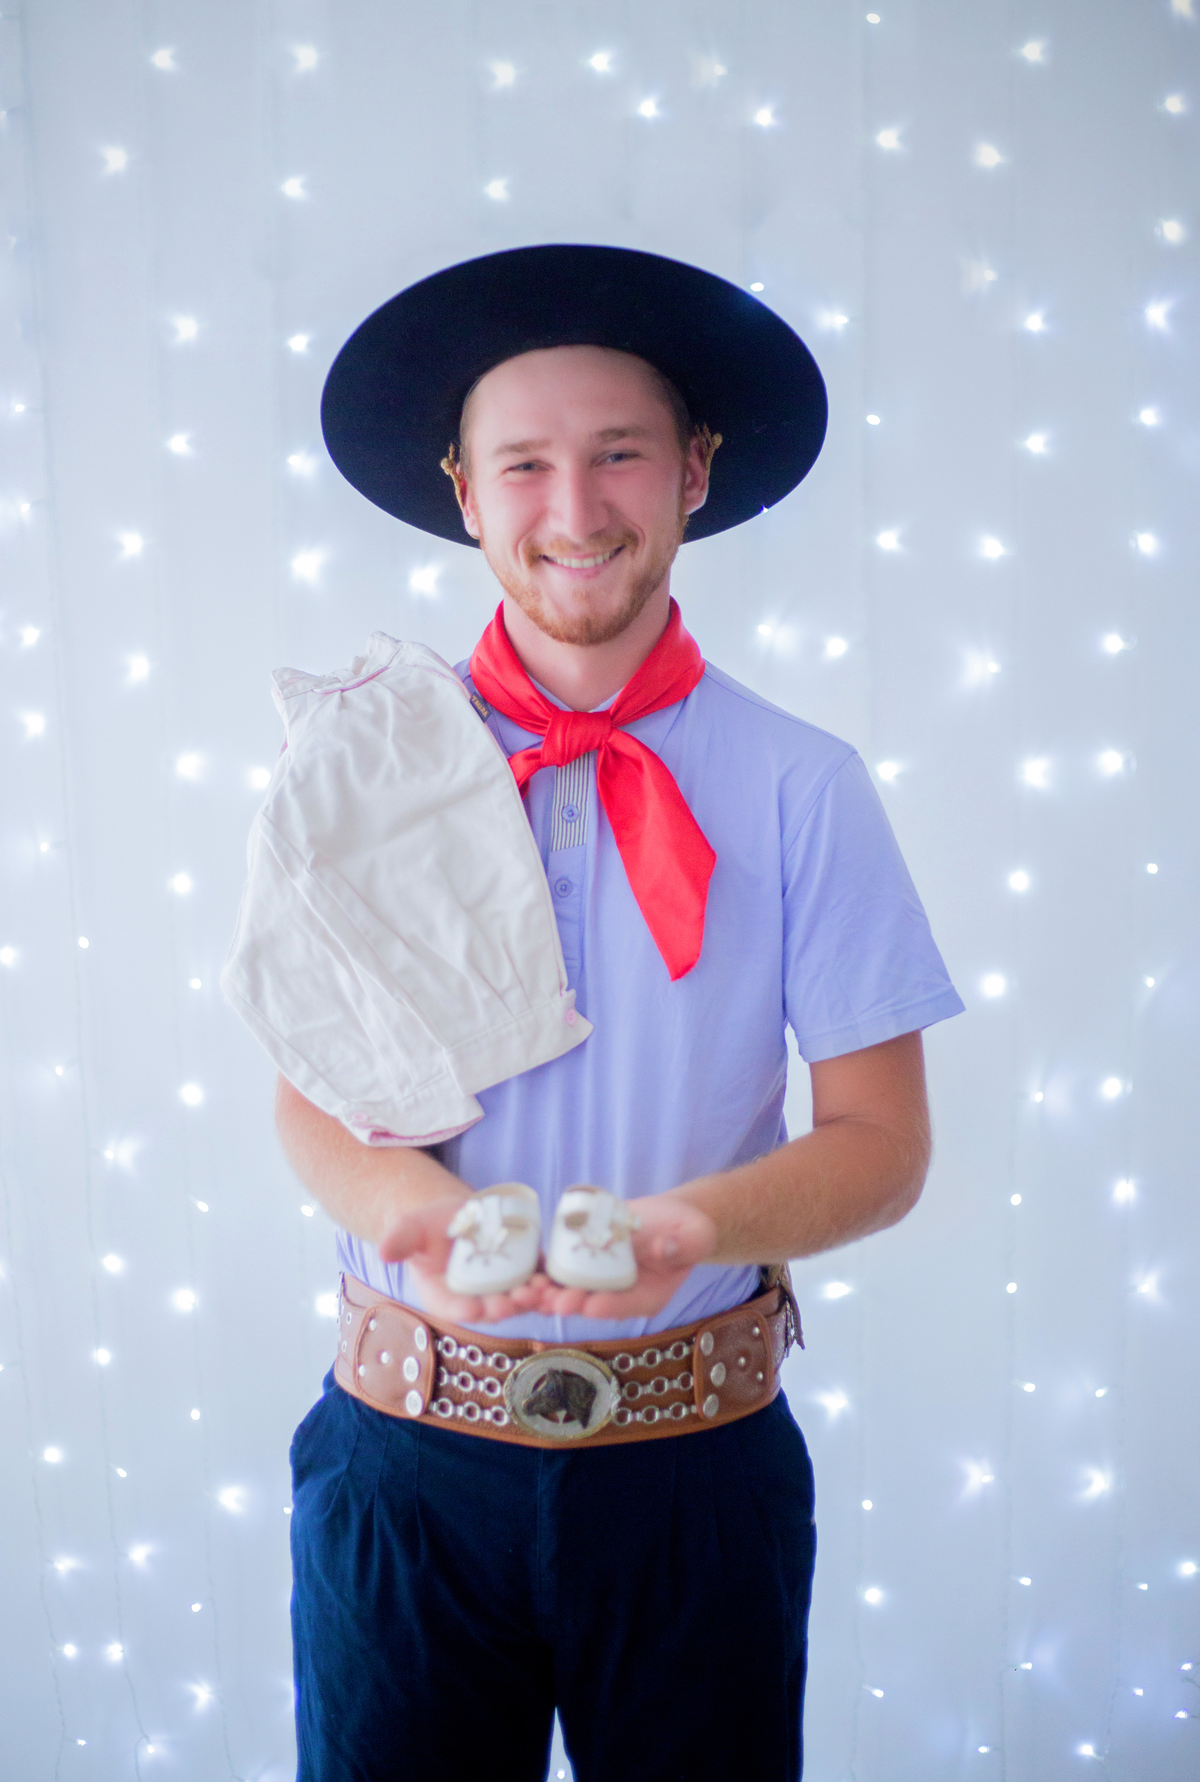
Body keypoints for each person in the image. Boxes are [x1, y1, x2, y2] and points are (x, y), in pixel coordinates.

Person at [265, 245, 964, 1781]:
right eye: (525, 462)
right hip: (404, 1467)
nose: (574, 510)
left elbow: (882, 1142)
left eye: (621, 455)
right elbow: (313, 1089)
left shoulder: (802, 785)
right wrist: (422, 1219)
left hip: (694, 1475)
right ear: (463, 489)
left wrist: (682, 1230)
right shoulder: (364, 761)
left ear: (695, 475)